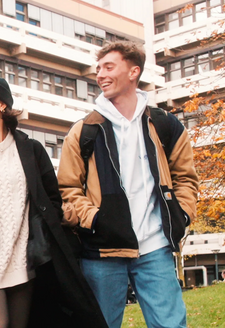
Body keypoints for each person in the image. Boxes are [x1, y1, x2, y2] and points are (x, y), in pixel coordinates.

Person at [0, 77, 107, 328]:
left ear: (2, 105)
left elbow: (52, 197)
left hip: (24, 257)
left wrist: (44, 230)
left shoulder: (31, 149)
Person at [57, 41, 199, 328]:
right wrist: (96, 219)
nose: (100, 75)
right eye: (98, 69)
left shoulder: (165, 126)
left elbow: (186, 178)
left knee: (171, 325)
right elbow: (67, 189)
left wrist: (181, 215)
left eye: (109, 67)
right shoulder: (84, 131)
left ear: (133, 71)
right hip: (102, 252)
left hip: (155, 248)